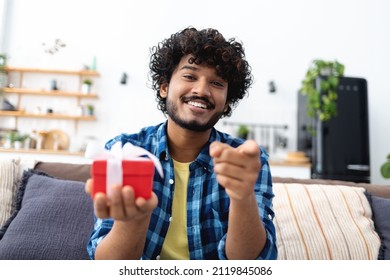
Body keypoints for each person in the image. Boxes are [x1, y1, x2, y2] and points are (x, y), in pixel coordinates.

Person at [86, 27, 277, 260]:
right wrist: (133, 221)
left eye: (217, 83)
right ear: (164, 87)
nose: (201, 90)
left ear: (227, 102)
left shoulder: (246, 161)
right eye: (189, 76)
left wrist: (242, 196)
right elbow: (105, 265)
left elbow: (251, 265)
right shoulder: (123, 152)